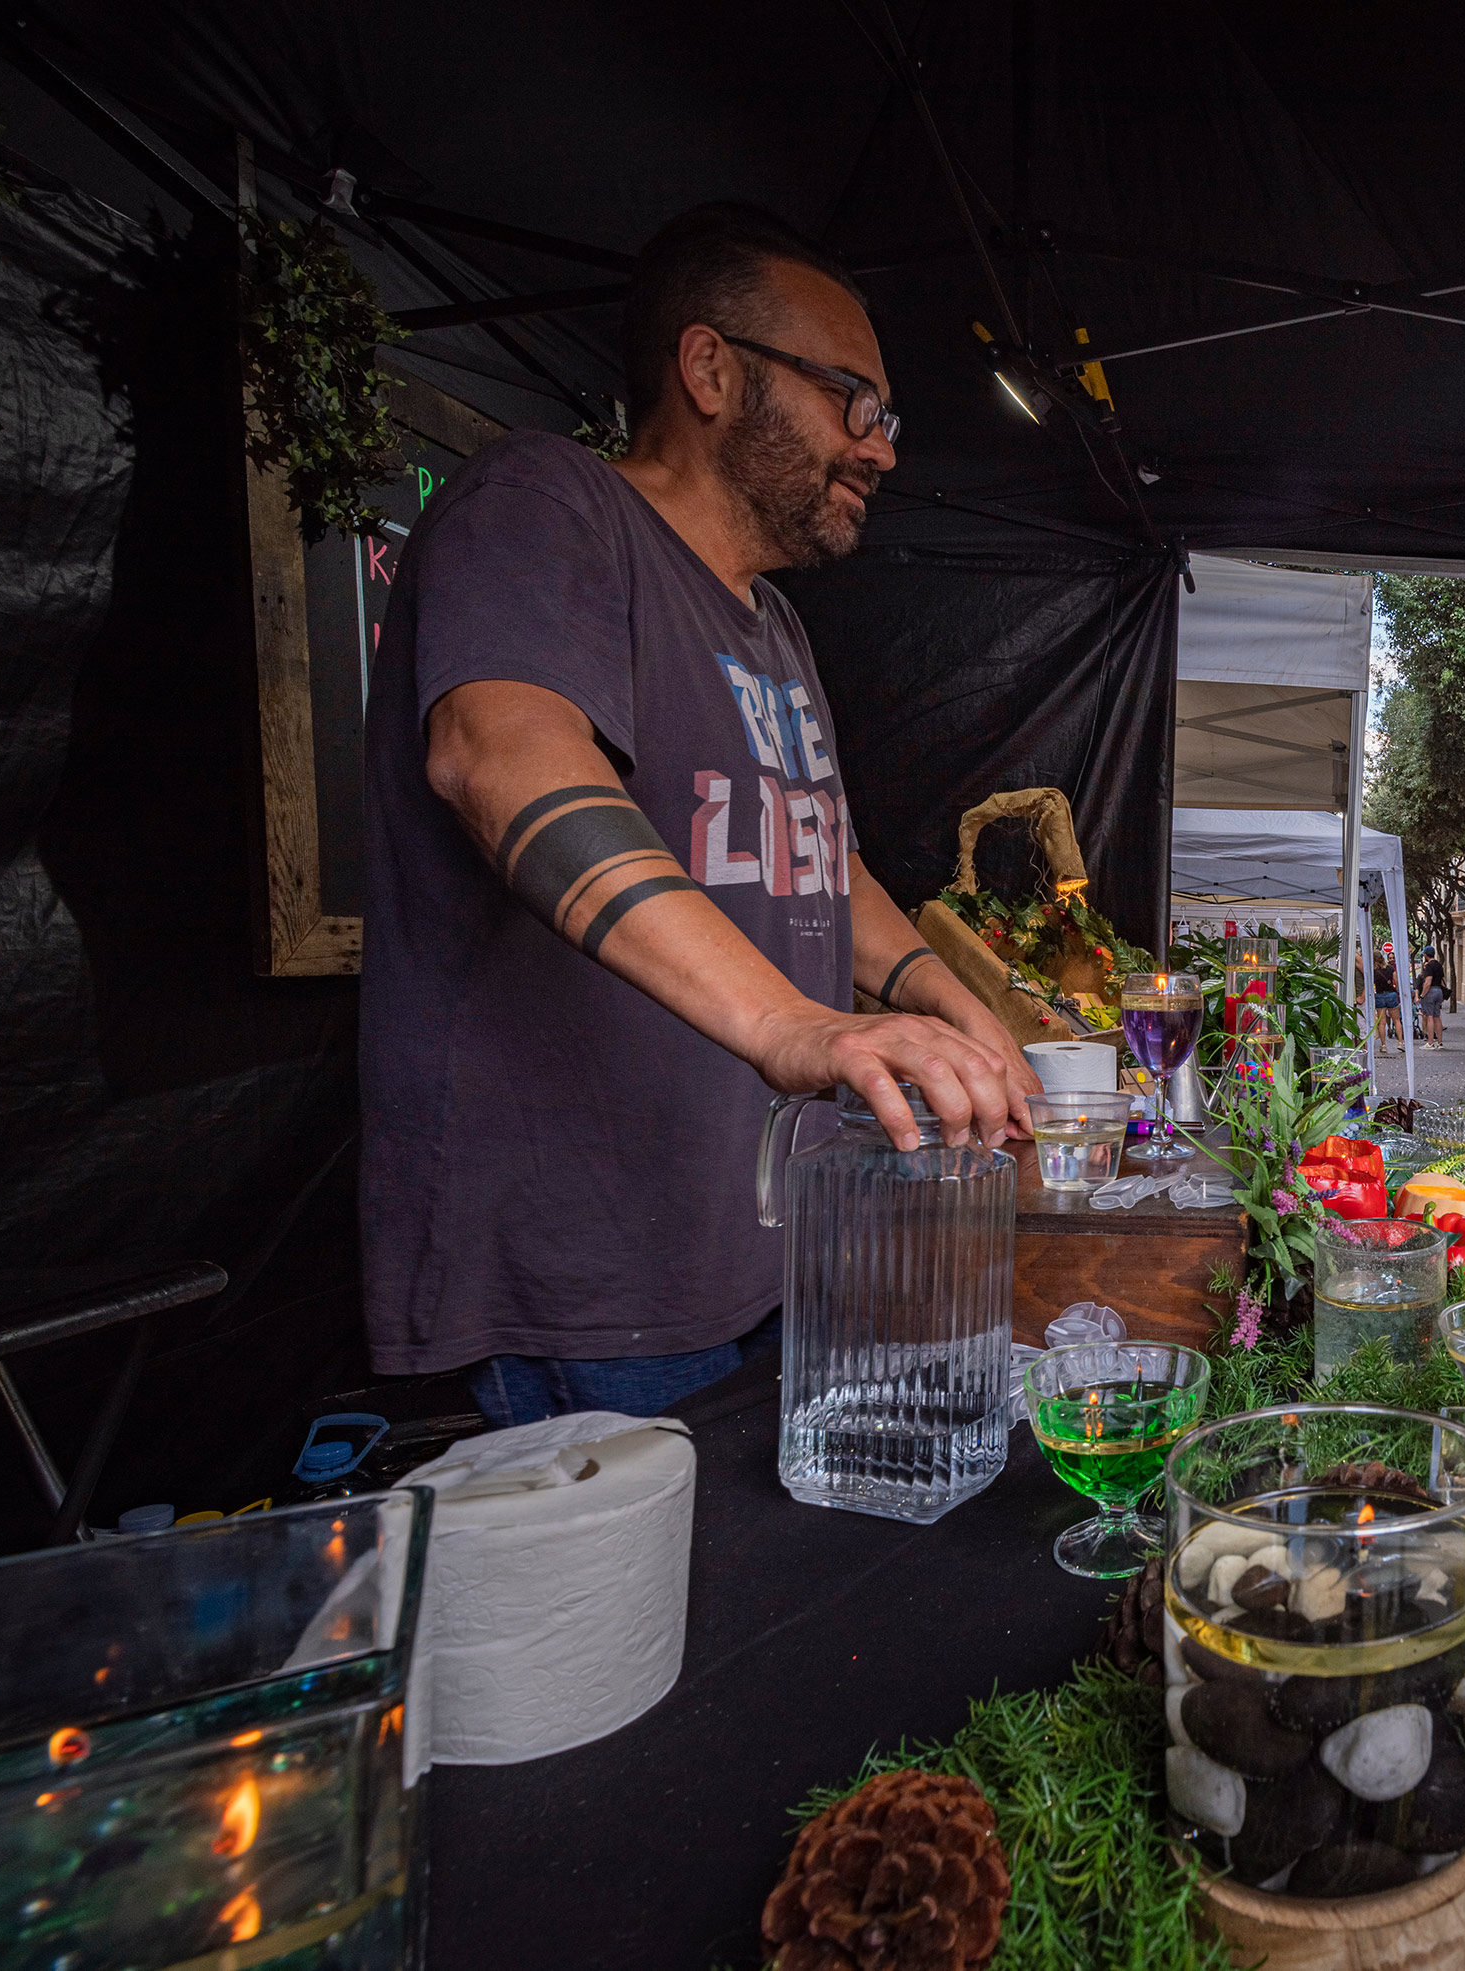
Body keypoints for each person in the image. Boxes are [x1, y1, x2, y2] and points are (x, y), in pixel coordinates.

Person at [362, 203, 1044, 1429]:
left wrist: (941, 992)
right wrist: (793, 1023)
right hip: (593, 1276)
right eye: (854, 401)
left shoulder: (771, 624)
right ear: (712, 369)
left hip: (753, 1247)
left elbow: (812, 852)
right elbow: (497, 759)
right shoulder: (544, 502)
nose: (881, 449)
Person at [1414, 950, 1450, 1049]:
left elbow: (1428, 982)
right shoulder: (1439, 965)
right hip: (1439, 991)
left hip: (1431, 992)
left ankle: (1430, 1042)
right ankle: (1440, 1042)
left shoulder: (1429, 966)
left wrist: (1422, 995)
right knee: (1437, 1017)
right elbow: (1442, 982)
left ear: (1426, 955)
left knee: (1429, 1017)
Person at [1373, 948, 1403, 1048]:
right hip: (1391, 995)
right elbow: (1396, 982)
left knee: (1381, 1023)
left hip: (1380, 995)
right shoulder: (1390, 968)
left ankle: (1383, 1045)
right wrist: (1397, 992)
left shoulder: (1374, 971)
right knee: (1396, 1020)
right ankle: (1400, 1043)